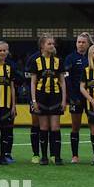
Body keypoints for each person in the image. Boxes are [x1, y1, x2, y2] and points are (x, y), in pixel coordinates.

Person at [29, 36, 66, 166]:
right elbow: (33, 82)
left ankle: (56, 156)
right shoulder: (36, 61)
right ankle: (44, 156)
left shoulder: (58, 61)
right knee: (43, 127)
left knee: (55, 127)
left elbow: (62, 81)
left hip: (55, 97)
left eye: (53, 43)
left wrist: (64, 100)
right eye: (49, 43)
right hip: (41, 97)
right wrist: (34, 100)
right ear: (42, 46)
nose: (52, 45)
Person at [63, 33, 93, 164]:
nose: (81, 44)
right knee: (76, 127)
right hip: (76, 97)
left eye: (83, 42)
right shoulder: (70, 58)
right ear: (76, 43)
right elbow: (67, 79)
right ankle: (75, 155)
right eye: (79, 42)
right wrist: (71, 97)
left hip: (92, 97)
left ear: (88, 44)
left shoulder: (93, 57)